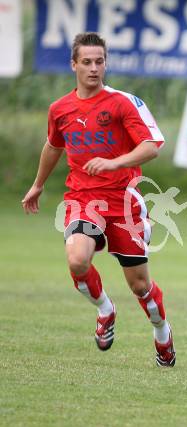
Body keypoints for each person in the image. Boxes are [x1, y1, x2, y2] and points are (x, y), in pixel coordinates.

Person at [22, 32, 175, 367]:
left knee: (140, 286)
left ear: (105, 63)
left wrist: (115, 162)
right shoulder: (59, 109)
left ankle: (162, 332)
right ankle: (105, 309)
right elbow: (53, 145)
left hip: (123, 200)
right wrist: (38, 184)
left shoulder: (123, 102)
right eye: (87, 62)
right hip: (82, 198)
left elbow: (152, 145)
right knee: (77, 260)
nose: (94, 68)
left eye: (100, 61)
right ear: (74, 64)